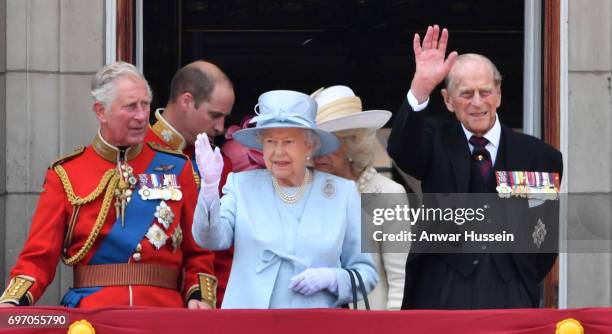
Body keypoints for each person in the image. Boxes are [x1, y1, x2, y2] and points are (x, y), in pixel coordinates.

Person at [0, 62, 216, 309]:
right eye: (130, 106)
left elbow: (199, 252)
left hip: (162, 313)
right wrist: (12, 302)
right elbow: (38, 257)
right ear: (101, 111)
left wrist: (198, 297)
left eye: (145, 104)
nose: (141, 115)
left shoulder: (179, 168)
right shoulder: (66, 173)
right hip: (93, 314)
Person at [387, 25, 563, 309]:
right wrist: (421, 87)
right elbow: (400, 149)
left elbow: (542, 243)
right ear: (447, 100)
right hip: (440, 292)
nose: (478, 103)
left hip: (510, 292)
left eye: (486, 92)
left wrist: (517, 276)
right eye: (466, 94)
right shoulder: (434, 143)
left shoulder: (539, 157)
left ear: (499, 95)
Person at [192, 90, 378, 308]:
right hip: (249, 324)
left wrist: (334, 279)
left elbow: (366, 274)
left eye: (288, 142)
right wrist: (209, 189)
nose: (278, 152)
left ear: (310, 146)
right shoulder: (241, 185)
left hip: (315, 323)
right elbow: (211, 240)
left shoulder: (342, 193)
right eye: (271, 141)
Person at [144, 60, 235, 307]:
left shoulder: (221, 165)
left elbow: (225, 255)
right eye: (215, 115)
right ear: (186, 101)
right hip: (153, 303)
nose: (221, 127)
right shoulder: (139, 153)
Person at [311, 85, 408, 310]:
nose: (318, 153)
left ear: (352, 143)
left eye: (329, 143)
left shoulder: (388, 195)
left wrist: (393, 328)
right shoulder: (306, 195)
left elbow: (399, 279)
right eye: (314, 143)